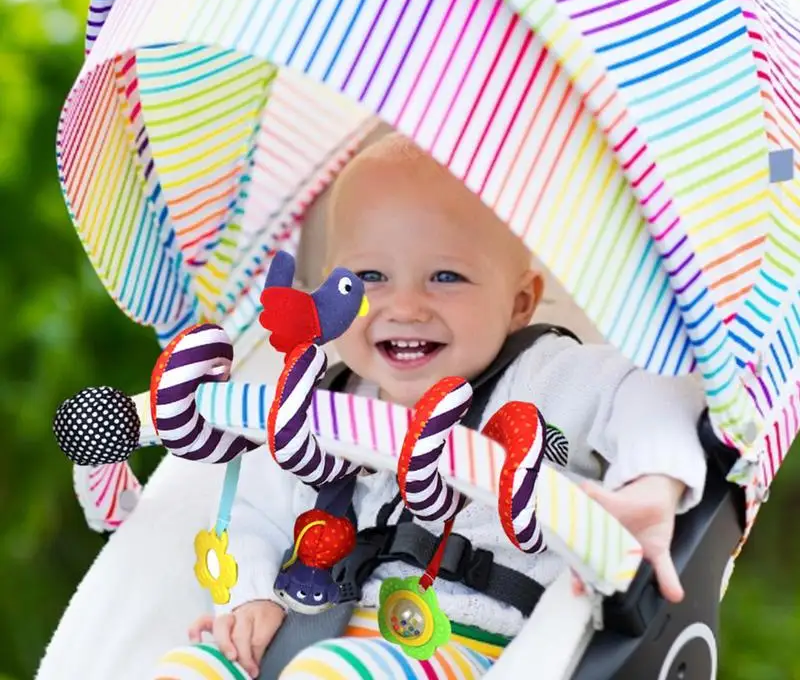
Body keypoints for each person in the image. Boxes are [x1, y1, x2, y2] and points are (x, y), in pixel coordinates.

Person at [163, 134, 708, 679]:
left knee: (334, 670)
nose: (404, 306)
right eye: (369, 278)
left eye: (446, 277)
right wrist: (250, 597)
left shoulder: (549, 377)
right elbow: (255, 510)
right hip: (309, 633)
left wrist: (653, 484)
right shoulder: (322, 399)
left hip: (459, 649)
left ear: (519, 302)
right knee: (189, 667)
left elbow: (660, 388)